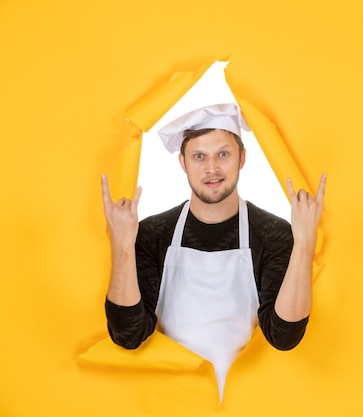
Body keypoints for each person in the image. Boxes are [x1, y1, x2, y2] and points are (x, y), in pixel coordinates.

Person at [101, 103, 326, 399]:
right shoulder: (152, 234)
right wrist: (123, 247)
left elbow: (284, 336)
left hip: (247, 403)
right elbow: (128, 335)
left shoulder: (273, 234)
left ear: (242, 158)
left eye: (223, 154)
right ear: (182, 162)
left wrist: (304, 243)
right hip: (169, 402)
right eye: (198, 156)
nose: (211, 169)